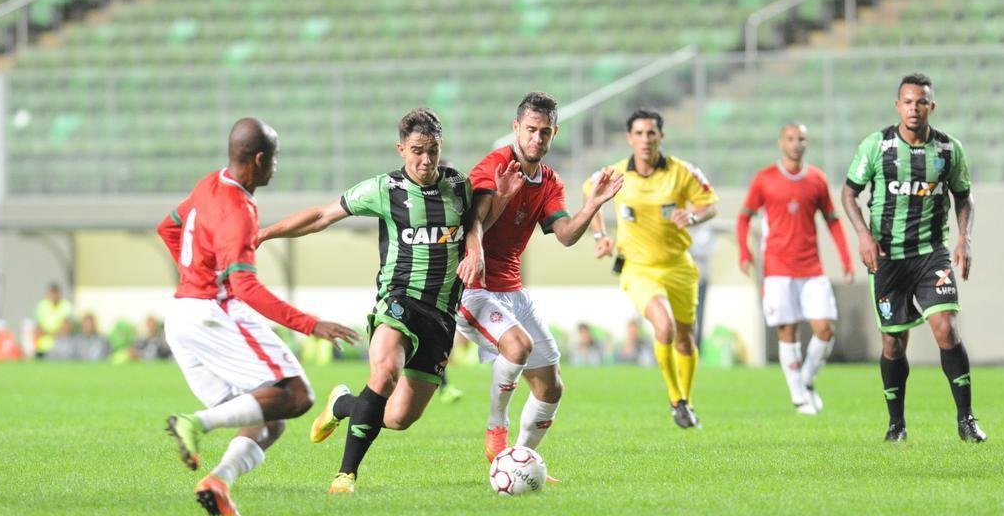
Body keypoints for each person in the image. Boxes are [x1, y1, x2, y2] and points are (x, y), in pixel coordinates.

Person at [258, 107, 487, 494]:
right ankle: (346, 474)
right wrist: (265, 233)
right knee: (383, 373)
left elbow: (481, 217)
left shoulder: (460, 188)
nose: (425, 160)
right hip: (398, 301)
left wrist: (476, 243)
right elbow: (321, 216)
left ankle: (342, 404)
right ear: (401, 149)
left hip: (442, 316)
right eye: (417, 150)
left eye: (432, 150)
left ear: (441, 145)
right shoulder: (385, 189)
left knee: (397, 417)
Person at [156, 117, 361, 516]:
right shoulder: (239, 210)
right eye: (276, 157)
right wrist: (310, 324)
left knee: (269, 418)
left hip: (181, 315)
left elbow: (168, 228)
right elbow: (246, 288)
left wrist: (194, 274)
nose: (277, 166)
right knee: (297, 395)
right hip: (212, 312)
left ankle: (218, 483)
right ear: (260, 159)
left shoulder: (207, 185)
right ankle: (194, 423)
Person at [456, 92, 623, 465]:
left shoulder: (549, 180)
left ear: (554, 133)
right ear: (516, 128)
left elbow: (564, 234)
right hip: (475, 287)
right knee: (518, 347)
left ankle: (520, 463)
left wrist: (593, 204)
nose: (537, 139)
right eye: (530, 130)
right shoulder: (494, 166)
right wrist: (478, 249)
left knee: (551, 388)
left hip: (513, 290)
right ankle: (496, 426)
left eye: (545, 132)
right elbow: (474, 223)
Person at [840, 73, 984, 443]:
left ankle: (966, 420)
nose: (913, 108)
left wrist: (964, 239)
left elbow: (964, 197)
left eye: (921, 102)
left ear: (931, 106)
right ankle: (896, 424)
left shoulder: (949, 150)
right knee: (893, 343)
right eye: (907, 101)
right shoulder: (876, 146)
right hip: (887, 256)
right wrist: (863, 235)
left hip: (930, 253)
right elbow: (848, 193)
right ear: (897, 105)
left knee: (946, 329)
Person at [585, 109, 718, 429]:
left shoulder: (681, 172)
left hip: (679, 266)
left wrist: (694, 217)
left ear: (661, 136)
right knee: (665, 327)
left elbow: (710, 203)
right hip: (638, 268)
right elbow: (590, 195)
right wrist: (601, 235)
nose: (645, 140)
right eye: (639, 134)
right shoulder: (615, 173)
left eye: (651, 133)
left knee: (686, 339)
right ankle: (676, 401)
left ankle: (685, 401)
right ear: (629, 138)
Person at [737, 122, 855, 414]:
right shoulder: (764, 179)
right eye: (790, 138)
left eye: (801, 138)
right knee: (787, 330)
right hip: (777, 269)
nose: (796, 143)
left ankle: (806, 380)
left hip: (811, 268)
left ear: (807, 143)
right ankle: (798, 396)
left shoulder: (816, 179)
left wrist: (846, 259)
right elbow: (743, 218)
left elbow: (832, 220)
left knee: (825, 328)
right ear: (781, 142)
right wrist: (744, 251)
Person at [33, 282, 72, 359]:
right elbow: (38, 331)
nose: (54, 296)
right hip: (42, 348)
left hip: (59, 349)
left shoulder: (65, 306)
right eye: (52, 293)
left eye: (56, 293)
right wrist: (55, 332)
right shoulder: (41, 306)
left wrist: (47, 332)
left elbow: (65, 331)